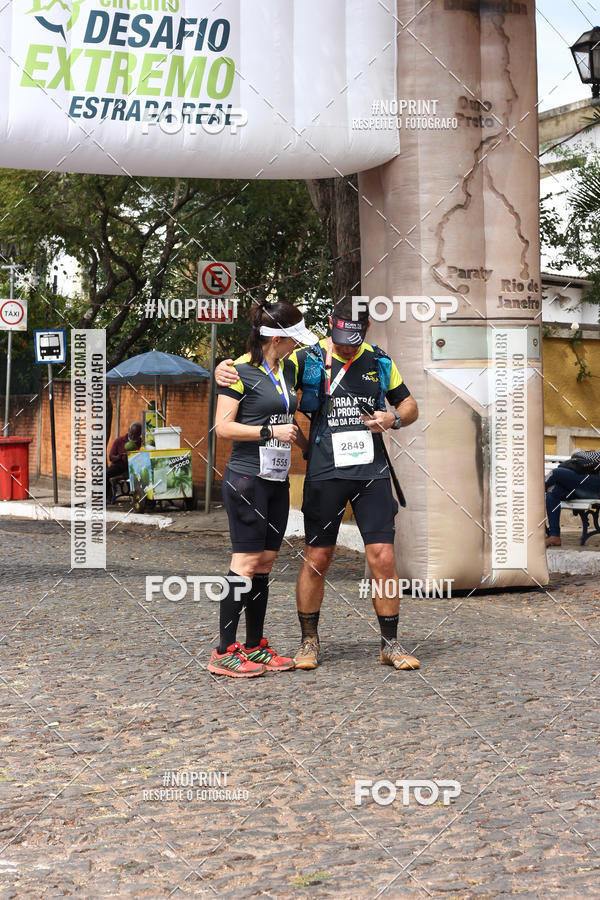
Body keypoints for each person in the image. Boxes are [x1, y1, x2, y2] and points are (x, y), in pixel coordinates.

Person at [215, 297, 420, 673]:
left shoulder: (380, 360)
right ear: (330, 324)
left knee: (383, 557)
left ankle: (390, 644)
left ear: (366, 330)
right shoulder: (304, 357)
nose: (346, 347)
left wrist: (393, 418)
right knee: (317, 557)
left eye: (354, 340)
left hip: (371, 472)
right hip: (324, 474)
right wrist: (222, 369)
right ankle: (308, 641)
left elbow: (410, 406)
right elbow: (261, 365)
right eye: (341, 339)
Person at [208, 300, 317, 678]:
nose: (297, 345)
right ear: (276, 338)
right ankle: (224, 651)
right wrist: (269, 431)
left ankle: (254, 646)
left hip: (276, 479)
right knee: (245, 562)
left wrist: (306, 447)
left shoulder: (288, 367)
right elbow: (223, 427)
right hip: (246, 479)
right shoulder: (237, 371)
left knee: (265, 564)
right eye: (293, 339)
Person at [545, 450, 600, 547]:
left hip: (594, 487)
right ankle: (554, 536)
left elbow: (594, 457)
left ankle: (531, 497)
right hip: (585, 485)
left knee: (555, 473)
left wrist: (579, 453)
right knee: (553, 493)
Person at [106, 422, 142, 494]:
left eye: (135, 435)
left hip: (132, 468)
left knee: (137, 473)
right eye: (131, 434)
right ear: (129, 430)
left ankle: (120, 477)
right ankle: (106, 495)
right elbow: (111, 457)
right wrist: (119, 457)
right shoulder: (119, 440)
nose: (133, 436)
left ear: (139, 434)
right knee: (105, 474)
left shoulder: (141, 443)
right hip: (118, 467)